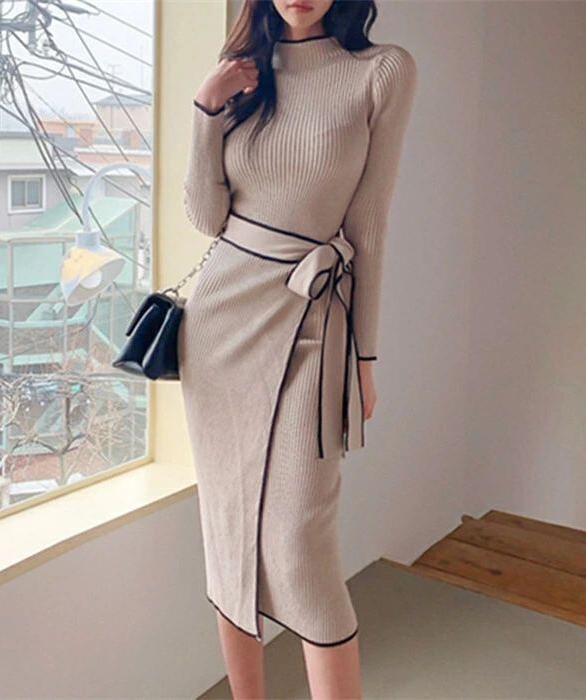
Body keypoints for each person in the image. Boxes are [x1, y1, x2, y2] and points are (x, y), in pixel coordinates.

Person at [178, 0, 417, 696]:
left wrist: (364, 359)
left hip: (314, 317)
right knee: (228, 531)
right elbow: (206, 218)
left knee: (297, 544)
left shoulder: (381, 71)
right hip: (219, 327)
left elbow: (369, 225)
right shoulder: (242, 74)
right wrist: (206, 109)